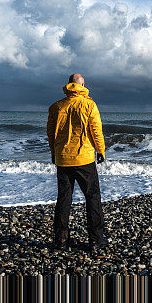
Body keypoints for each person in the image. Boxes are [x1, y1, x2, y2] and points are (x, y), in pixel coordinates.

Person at [47, 73, 108, 253]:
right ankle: (96, 241)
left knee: (64, 199)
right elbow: (96, 130)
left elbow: (51, 134)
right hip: (84, 159)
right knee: (93, 198)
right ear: (83, 85)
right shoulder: (89, 104)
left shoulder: (56, 107)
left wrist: (54, 153)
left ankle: (61, 241)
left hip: (63, 159)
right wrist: (101, 150)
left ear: (69, 85)